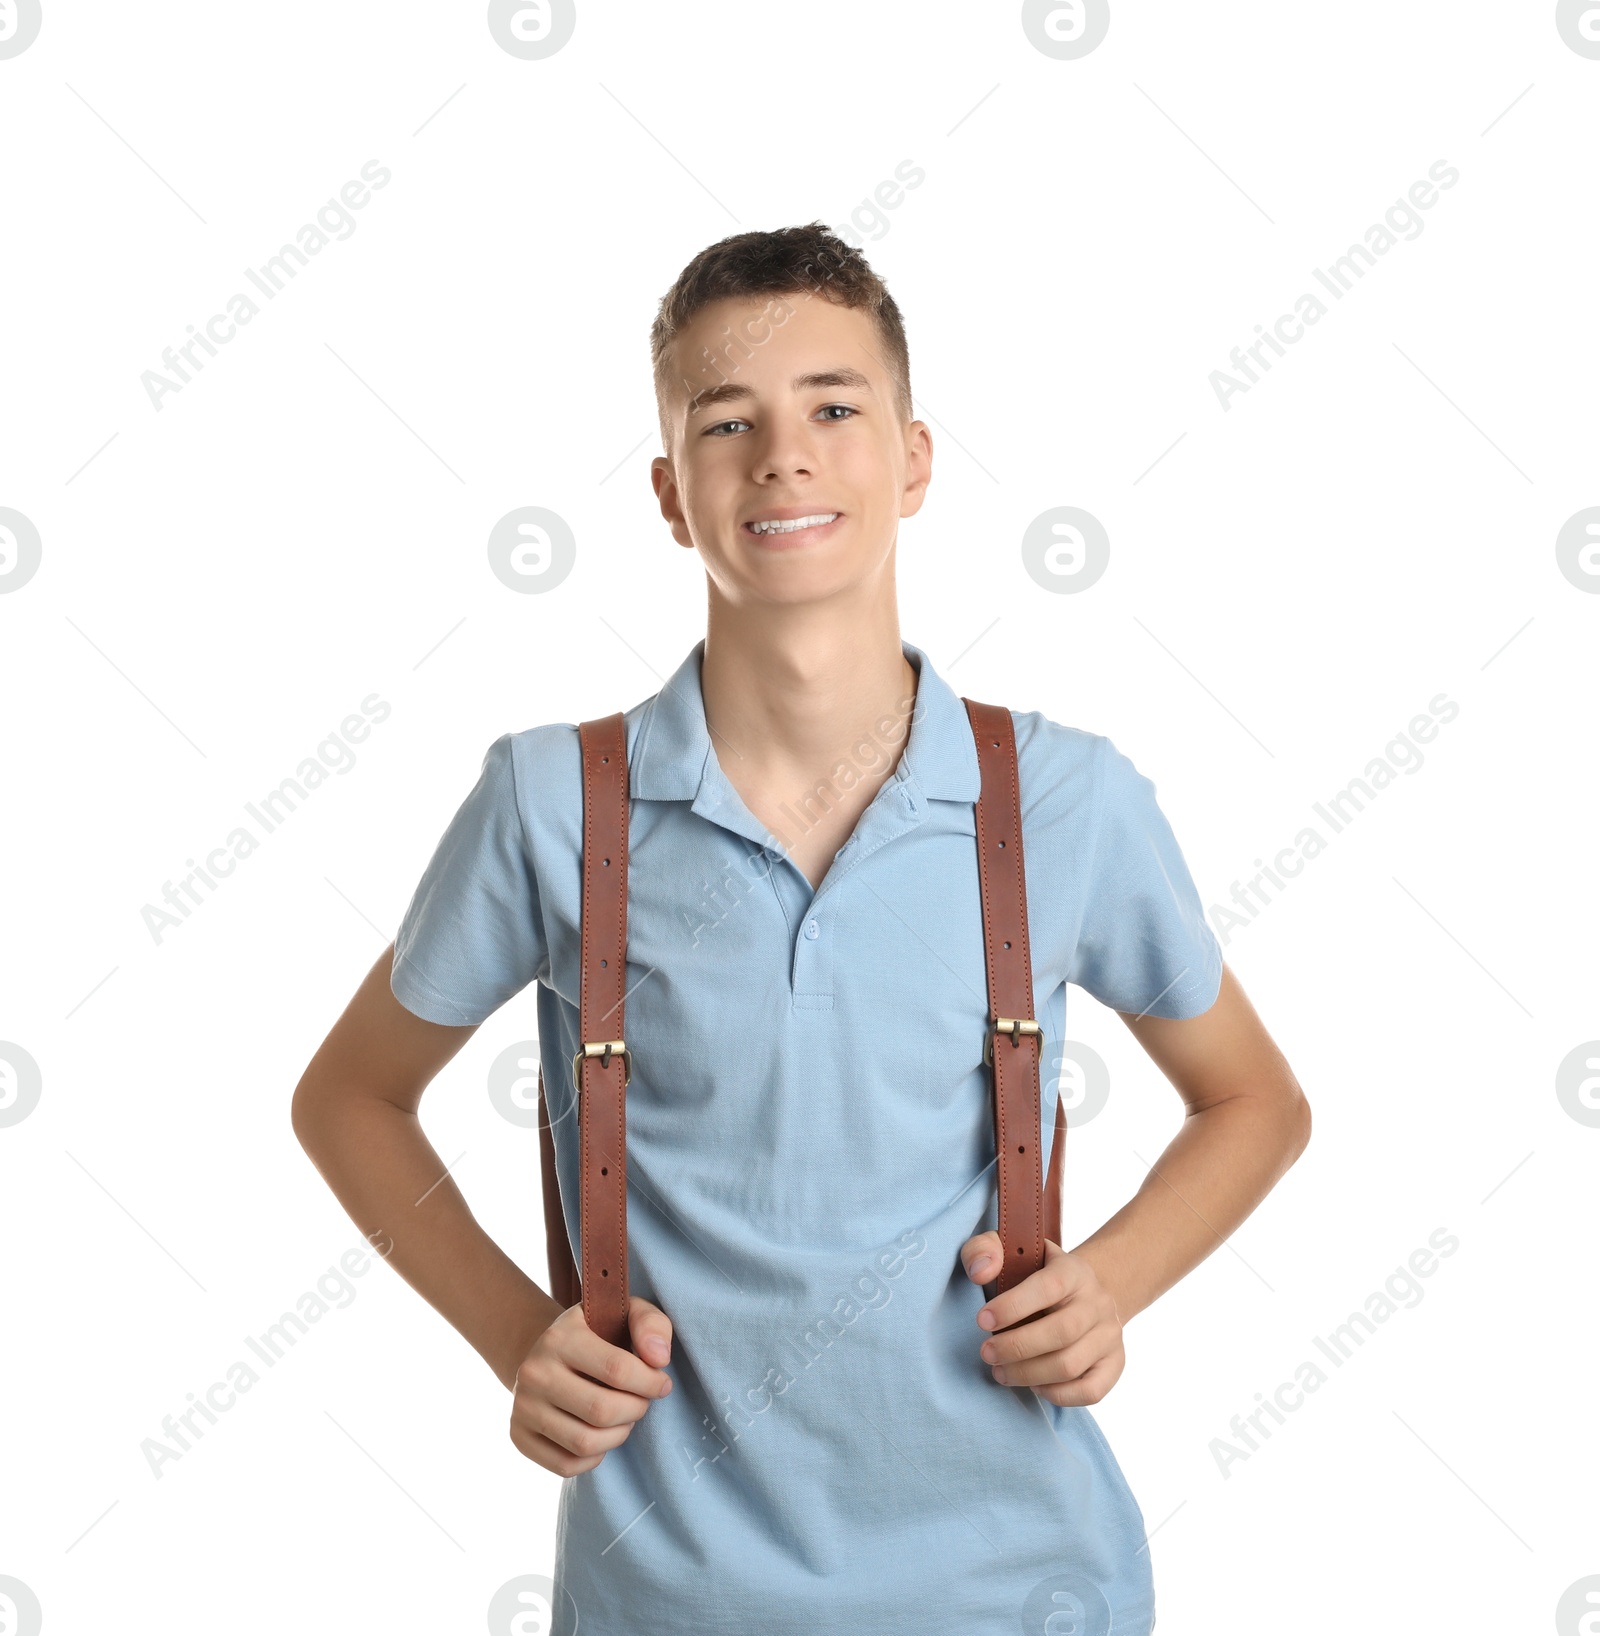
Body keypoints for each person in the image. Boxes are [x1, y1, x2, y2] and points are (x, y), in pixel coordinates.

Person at [291, 223, 1311, 1635]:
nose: (784, 455)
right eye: (730, 421)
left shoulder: (1065, 798)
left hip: (1024, 1587)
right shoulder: (550, 802)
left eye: (835, 408)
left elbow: (1255, 1099)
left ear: (914, 459)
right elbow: (350, 1096)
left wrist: (1111, 1286)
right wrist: (510, 1333)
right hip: (669, 1594)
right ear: (668, 492)